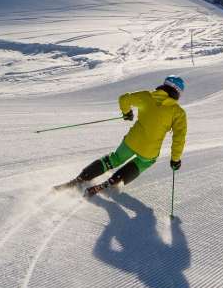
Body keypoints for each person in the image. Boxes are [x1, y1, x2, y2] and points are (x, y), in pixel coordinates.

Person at [57, 75, 187, 197]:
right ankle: (111, 181)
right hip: (149, 150)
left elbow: (124, 98)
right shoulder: (178, 112)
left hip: (131, 141)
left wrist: (127, 112)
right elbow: (179, 138)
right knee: (144, 162)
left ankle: (81, 178)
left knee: (115, 158)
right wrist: (175, 159)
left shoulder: (147, 96)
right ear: (177, 92)